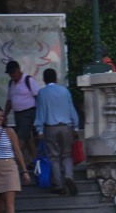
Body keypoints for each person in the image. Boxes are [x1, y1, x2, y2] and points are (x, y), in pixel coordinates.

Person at [32, 68, 80, 196]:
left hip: (50, 128)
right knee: (67, 155)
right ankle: (69, 177)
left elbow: (40, 113)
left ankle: (59, 185)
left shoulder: (42, 93)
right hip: (66, 127)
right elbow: (71, 109)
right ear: (56, 78)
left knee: (54, 157)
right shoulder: (65, 91)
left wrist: (39, 130)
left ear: (44, 79)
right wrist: (75, 127)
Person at [0, 106, 31, 213]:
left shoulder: (9, 131)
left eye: (1, 116)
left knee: (10, 203)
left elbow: (17, 151)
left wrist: (25, 171)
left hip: (10, 167)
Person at [4, 60, 38, 164]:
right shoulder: (11, 83)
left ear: (18, 70)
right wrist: (4, 114)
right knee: (27, 140)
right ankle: (36, 161)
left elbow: (38, 97)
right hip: (17, 114)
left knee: (20, 138)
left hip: (28, 113)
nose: (12, 76)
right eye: (10, 74)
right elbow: (10, 100)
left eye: (13, 73)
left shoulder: (28, 80)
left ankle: (14, 162)